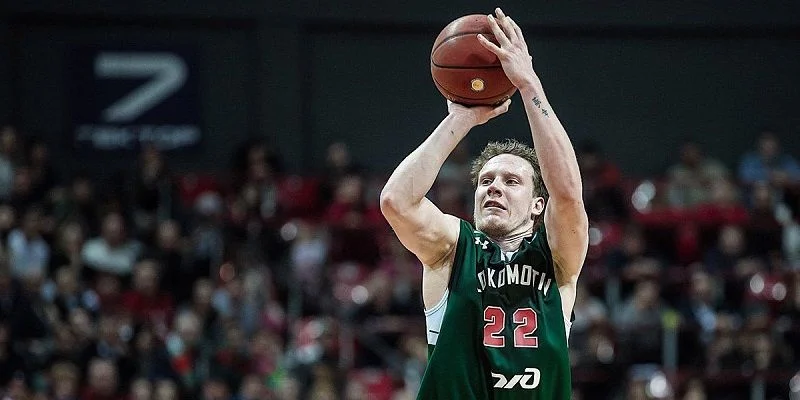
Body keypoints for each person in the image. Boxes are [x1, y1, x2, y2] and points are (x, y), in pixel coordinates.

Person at [380, 8, 588, 399]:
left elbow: (567, 193)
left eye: (512, 182)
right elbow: (396, 201)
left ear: (537, 205)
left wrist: (528, 83)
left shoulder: (557, 257)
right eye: (486, 181)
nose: (494, 188)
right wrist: (460, 120)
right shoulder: (453, 249)